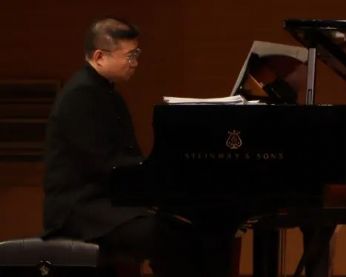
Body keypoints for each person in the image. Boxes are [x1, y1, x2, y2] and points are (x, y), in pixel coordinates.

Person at [43, 17, 233, 277]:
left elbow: (122, 161)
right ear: (99, 57)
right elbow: (104, 164)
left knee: (196, 232)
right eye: (130, 56)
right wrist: (160, 180)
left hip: (106, 203)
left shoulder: (104, 92)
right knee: (170, 236)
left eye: (137, 54)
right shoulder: (81, 95)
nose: (135, 63)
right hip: (82, 211)